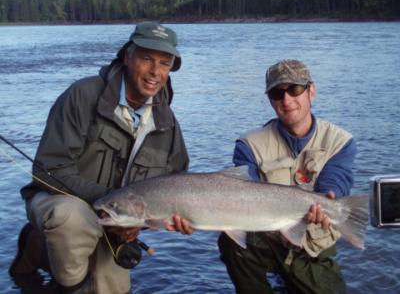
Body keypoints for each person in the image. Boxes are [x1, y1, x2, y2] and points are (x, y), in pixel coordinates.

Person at [9, 21, 193, 294]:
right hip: (59, 201)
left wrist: (144, 221)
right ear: (127, 57)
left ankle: (46, 252)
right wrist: (118, 205)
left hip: (118, 216)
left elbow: (176, 183)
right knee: (70, 222)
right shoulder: (82, 95)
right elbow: (50, 169)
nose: (155, 71)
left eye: (165, 63)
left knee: (111, 289)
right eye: (146, 59)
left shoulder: (167, 123)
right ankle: (63, 277)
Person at [218, 59, 356, 294]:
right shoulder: (248, 144)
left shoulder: (340, 142)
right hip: (268, 241)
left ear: (311, 90)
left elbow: (336, 181)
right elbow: (241, 189)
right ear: (270, 99)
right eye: (277, 93)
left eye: (294, 89)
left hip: (313, 248)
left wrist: (330, 200)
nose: (287, 100)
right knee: (229, 239)